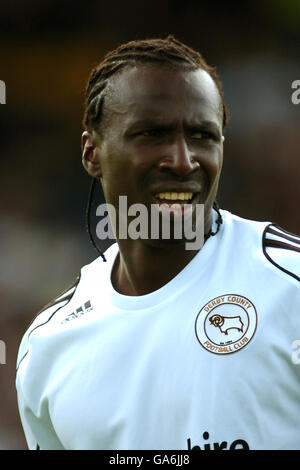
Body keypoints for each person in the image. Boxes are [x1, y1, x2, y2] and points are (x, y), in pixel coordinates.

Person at [16, 36, 300, 451]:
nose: (183, 161)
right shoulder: (49, 345)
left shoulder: (290, 287)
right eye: (152, 134)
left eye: (204, 136)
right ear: (92, 152)